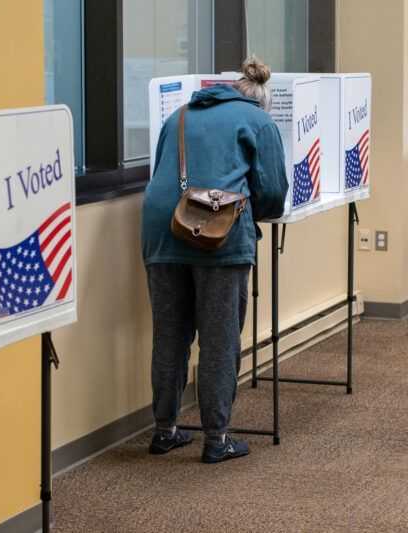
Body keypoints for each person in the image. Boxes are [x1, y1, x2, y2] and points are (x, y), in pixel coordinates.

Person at [141, 57, 289, 463]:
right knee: (220, 339)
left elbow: (163, 173)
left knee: (169, 332)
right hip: (219, 237)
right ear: (261, 100)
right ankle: (216, 438)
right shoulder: (259, 122)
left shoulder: (180, 116)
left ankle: (165, 431)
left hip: (164, 228)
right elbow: (274, 193)